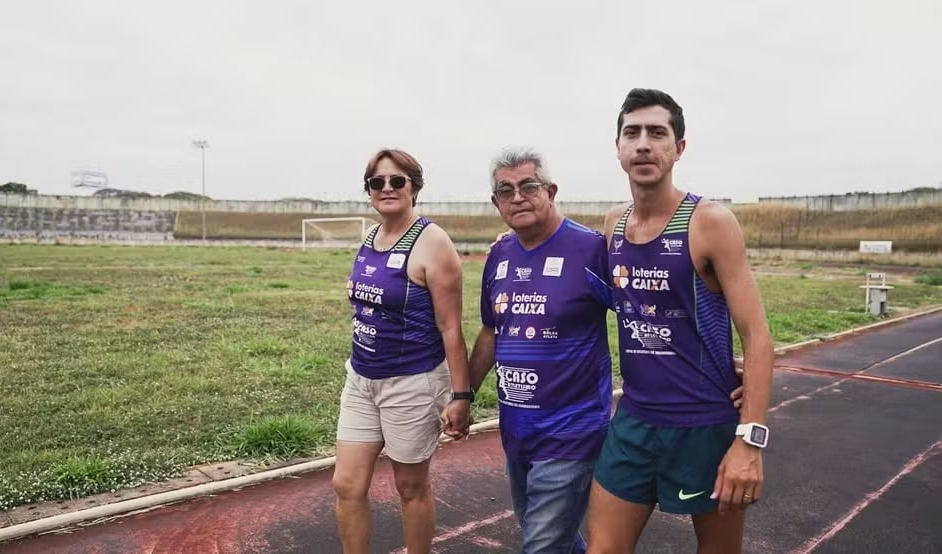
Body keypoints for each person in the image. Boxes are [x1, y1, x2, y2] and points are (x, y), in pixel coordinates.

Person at [586, 88, 775, 554]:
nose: (644, 144)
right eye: (632, 133)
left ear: (679, 147)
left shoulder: (709, 221)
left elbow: (757, 335)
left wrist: (749, 441)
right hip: (633, 419)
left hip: (704, 425)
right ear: (618, 147)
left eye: (658, 132)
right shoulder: (614, 223)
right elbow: (616, 298)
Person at [469, 147, 614, 553]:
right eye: (505, 190)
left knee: (542, 544)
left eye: (528, 186)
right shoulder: (499, 255)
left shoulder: (590, 250)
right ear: (496, 202)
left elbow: (641, 317)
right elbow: (490, 331)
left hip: (573, 430)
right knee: (553, 537)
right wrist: (462, 396)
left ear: (550, 191)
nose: (517, 197)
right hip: (517, 430)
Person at [331, 148, 472, 554]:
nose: (387, 188)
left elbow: (450, 327)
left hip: (412, 382)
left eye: (397, 181)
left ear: (415, 187)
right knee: (346, 484)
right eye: (378, 182)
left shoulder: (432, 243)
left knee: (409, 487)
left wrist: (460, 397)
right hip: (361, 379)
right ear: (369, 191)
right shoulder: (371, 237)